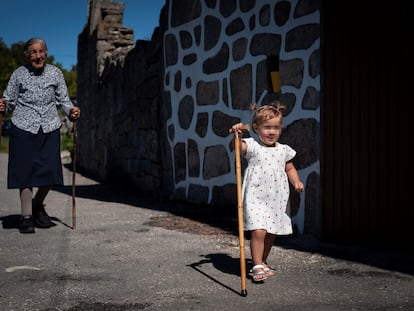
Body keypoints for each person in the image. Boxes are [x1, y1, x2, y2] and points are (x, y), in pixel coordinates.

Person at [0, 37, 80, 234]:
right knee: (25, 172)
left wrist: (71, 110)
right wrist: (3, 104)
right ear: (27, 55)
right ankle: (26, 216)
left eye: (41, 51)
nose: (38, 55)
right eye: (33, 52)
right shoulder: (19, 74)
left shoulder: (55, 73)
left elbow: (64, 100)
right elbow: (8, 100)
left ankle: (37, 204)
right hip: (23, 127)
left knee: (51, 171)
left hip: (50, 126)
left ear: (46, 53)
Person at [231, 101, 304, 282]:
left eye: (276, 128)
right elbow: (238, 149)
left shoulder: (283, 150)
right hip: (256, 196)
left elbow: (290, 168)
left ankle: (262, 260)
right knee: (259, 231)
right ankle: (256, 265)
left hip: (276, 198)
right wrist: (237, 136)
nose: (272, 132)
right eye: (267, 127)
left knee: (271, 232)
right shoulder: (253, 145)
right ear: (256, 128)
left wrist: (296, 182)